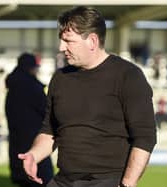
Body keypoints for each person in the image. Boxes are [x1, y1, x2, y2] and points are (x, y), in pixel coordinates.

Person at [19, 6, 157, 187]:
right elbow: (50, 130)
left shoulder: (128, 76)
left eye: (68, 41)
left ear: (92, 41)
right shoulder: (60, 78)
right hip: (63, 180)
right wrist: (33, 155)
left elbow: (145, 137)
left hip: (108, 181)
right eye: (61, 40)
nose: (62, 47)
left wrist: (128, 183)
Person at [5, 53, 54, 187]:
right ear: (31, 68)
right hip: (35, 148)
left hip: (17, 148)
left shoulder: (12, 89)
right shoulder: (32, 88)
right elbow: (48, 112)